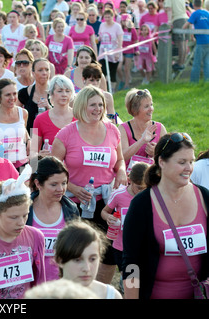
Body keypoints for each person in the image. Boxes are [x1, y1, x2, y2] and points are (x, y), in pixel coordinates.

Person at [51, 85, 128, 284]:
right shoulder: (65, 134)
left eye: (100, 105)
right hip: (76, 203)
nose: (97, 109)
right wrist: (72, 187)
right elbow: (53, 170)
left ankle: (101, 291)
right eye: (92, 104)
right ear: (81, 106)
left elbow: (119, 160)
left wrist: (120, 170)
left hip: (106, 203)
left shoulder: (112, 130)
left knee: (108, 252)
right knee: (77, 252)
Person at [122, 133, 209, 299]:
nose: (189, 168)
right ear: (161, 162)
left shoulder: (205, 197)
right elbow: (131, 264)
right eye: (182, 162)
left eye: (191, 162)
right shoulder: (142, 205)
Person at [0, 165, 46, 298]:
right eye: (13, 217)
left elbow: (40, 282)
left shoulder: (36, 236)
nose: (21, 222)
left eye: (25, 215)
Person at [27, 156, 80, 281]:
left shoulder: (71, 210)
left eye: (64, 183)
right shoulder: (25, 210)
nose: (60, 189)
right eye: (54, 184)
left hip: (61, 284)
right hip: (31, 285)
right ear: (38, 183)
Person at [54, 219, 123, 299]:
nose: (87, 268)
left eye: (92, 259)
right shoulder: (44, 295)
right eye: (77, 260)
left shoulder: (111, 296)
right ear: (60, 260)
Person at [101, 162, 148, 277]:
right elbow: (104, 211)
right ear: (130, 180)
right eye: (139, 188)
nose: (142, 191)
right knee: (129, 279)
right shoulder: (119, 195)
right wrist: (109, 217)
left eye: (145, 188)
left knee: (139, 279)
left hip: (143, 247)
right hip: (121, 246)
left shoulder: (150, 195)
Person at [0, 79, 30, 170]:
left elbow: (24, 132)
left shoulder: (23, 113)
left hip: (21, 164)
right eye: (8, 95)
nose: (12, 98)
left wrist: (29, 140)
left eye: (14, 93)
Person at [119, 88, 167, 174]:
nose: (151, 109)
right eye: (146, 106)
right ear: (135, 109)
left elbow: (169, 156)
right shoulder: (123, 129)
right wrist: (141, 141)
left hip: (152, 177)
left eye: (151, 105)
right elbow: (121, 157)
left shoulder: (160, 128)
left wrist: (156, 152)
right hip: (129, 179)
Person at [32, 75, 76, 155]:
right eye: (60, 91)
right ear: (51, 93)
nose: (64, 94)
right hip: (51, 166)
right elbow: (32, 153)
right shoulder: (39, 119)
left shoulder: (80, 117)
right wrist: (39, 156)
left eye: (67, 91)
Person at [17, 58, 52, 134]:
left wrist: (49, 108)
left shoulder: (56, 92)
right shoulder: (24, 93)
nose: (44, 73)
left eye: (47, 70)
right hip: (32, 135)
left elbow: (62, 116)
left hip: (50, 135)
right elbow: (14, 114)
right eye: (40, 70)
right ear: (33, 73)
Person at [183, 0, 209, 83]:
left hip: (201, 42)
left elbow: (186, 25)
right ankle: (207, 81)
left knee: (196, 63)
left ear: (193, 5)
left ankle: (194, 82)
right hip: (208, 41)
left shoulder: (195, 13)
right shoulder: (207, 13)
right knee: (207, 63)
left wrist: (178, 30)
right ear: (201, 4)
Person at [98, 9, 124, 92]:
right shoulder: (102, 25)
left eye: (109, 17)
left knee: (112, 73)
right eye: (105, 17)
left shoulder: (117, 26)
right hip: (103, 52)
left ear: (112, 17)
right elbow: (100, 37)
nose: (107, 19)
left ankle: (112, 89)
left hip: (113, 52)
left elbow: (120, 40)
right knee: (103, 72)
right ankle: (104, 89)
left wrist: (118, 52)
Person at [165, 0, 188, 70]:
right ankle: (182, 62)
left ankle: (180, 63)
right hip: (185, 18)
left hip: (177, 20)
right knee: (184, 42)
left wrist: (169, 21)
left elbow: (169, 9)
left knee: (180, 42)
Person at [117, 14, 138, 91]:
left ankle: (126, 84)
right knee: (118, 68)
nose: (125, 22)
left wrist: (136, 50)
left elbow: (136, 40)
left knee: (126, 68)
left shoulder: (132, 29)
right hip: (121, 51)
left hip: (129, 51)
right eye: (123, 21)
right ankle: (122, 79)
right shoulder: (120, 29)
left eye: (126, 20)